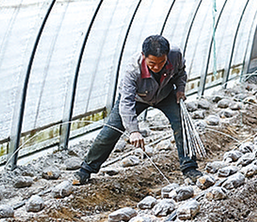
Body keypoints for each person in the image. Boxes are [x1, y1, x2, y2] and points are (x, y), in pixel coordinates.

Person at [73, 35, 202, 184]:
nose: (157, 67)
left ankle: (189, 168)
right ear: (143, 56)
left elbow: (180, 72)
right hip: (137, 98)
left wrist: (180, 89)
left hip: (165, 94)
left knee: (182, 124)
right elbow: (126, 102)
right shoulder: (132, 70)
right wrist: (134, 130)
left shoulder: (175, 54)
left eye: (161, 63)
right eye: (152, 63)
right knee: (110, 131)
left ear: (167, 56)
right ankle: (85, 170)